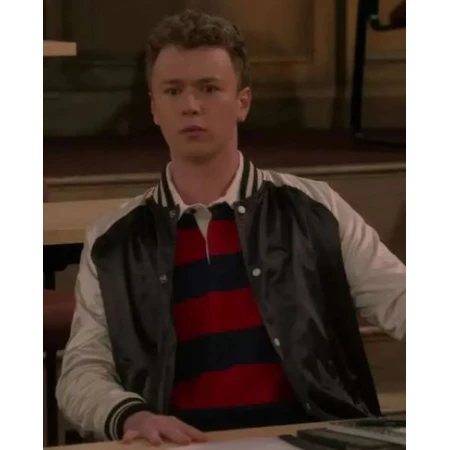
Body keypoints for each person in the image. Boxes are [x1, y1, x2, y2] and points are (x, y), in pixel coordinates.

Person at [56, 9, 406, 447]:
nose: (190, 105)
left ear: (243, 102)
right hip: (182, 445)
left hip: (308, 439)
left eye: (209, 88)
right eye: (173, 91)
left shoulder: (314, 208)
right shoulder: (115, 238)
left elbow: (403, 300)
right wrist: (132, 415)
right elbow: (82, 370)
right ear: (154, 108)